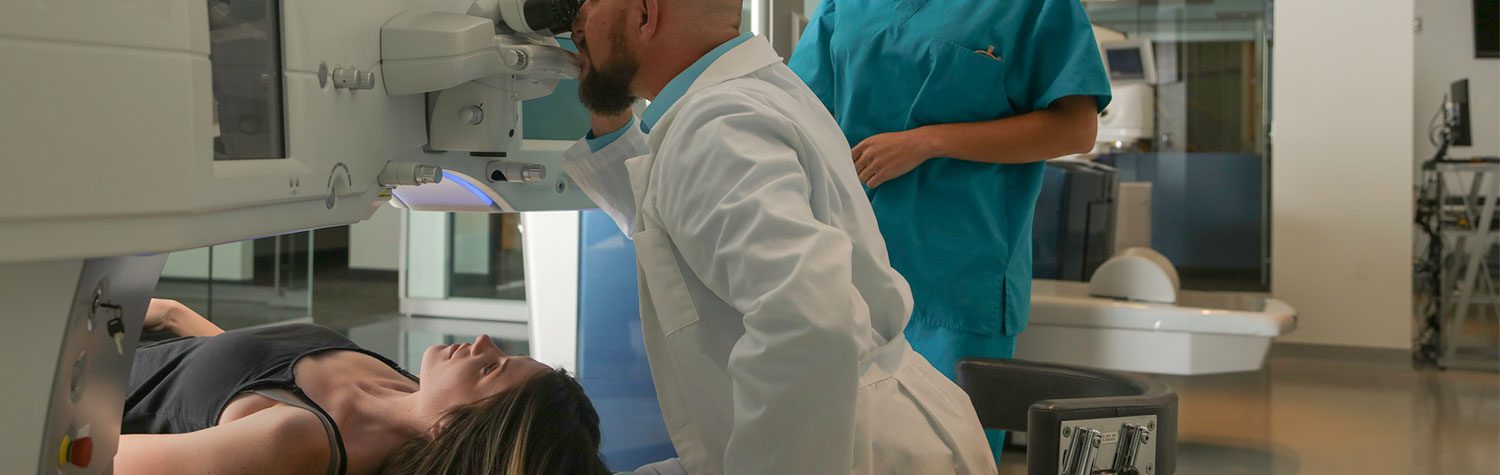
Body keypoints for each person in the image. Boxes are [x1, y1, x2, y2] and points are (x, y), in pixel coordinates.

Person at [562, 0, 994, 473]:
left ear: (646, 15)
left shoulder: (713, 129)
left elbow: (808, 323)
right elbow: (675, 226)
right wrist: (604, 95)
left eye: (590, 3)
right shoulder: (748, 96)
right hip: (872, 425)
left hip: (847, 440)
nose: (577, 22)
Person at [787, 0, 1112, 461]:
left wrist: (928, 142)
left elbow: (1076, 128)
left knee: (951, 454)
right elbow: (801, 109)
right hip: (851, 271)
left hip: (960, 277)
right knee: (850, 453)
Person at [113, 299, 610, 475]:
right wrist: (175, 315)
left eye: (490, 369)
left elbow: (84, 463)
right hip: (103, 348)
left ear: (452, 429)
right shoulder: (408, 387)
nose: (482, 342)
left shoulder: (299, 443)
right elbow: (231, 391)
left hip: (53, 395)